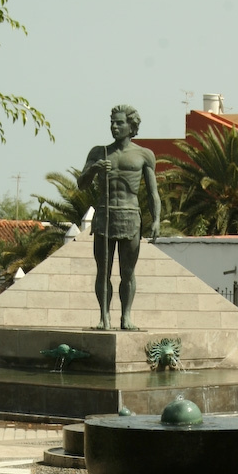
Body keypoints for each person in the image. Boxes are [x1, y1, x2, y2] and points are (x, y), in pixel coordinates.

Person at [78, 105, 161, 331]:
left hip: (130, 215)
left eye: (119, 123)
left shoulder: (144, 155)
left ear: (131, 127)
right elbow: (82, 184)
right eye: (112, 122)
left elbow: (152, 192)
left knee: (128, 272)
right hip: (105, 215)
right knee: (103, 271)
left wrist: (156, 219)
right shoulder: (99, 153)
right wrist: (94, 169)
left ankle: (126, 316)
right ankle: (104, 316)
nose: (114, 126)